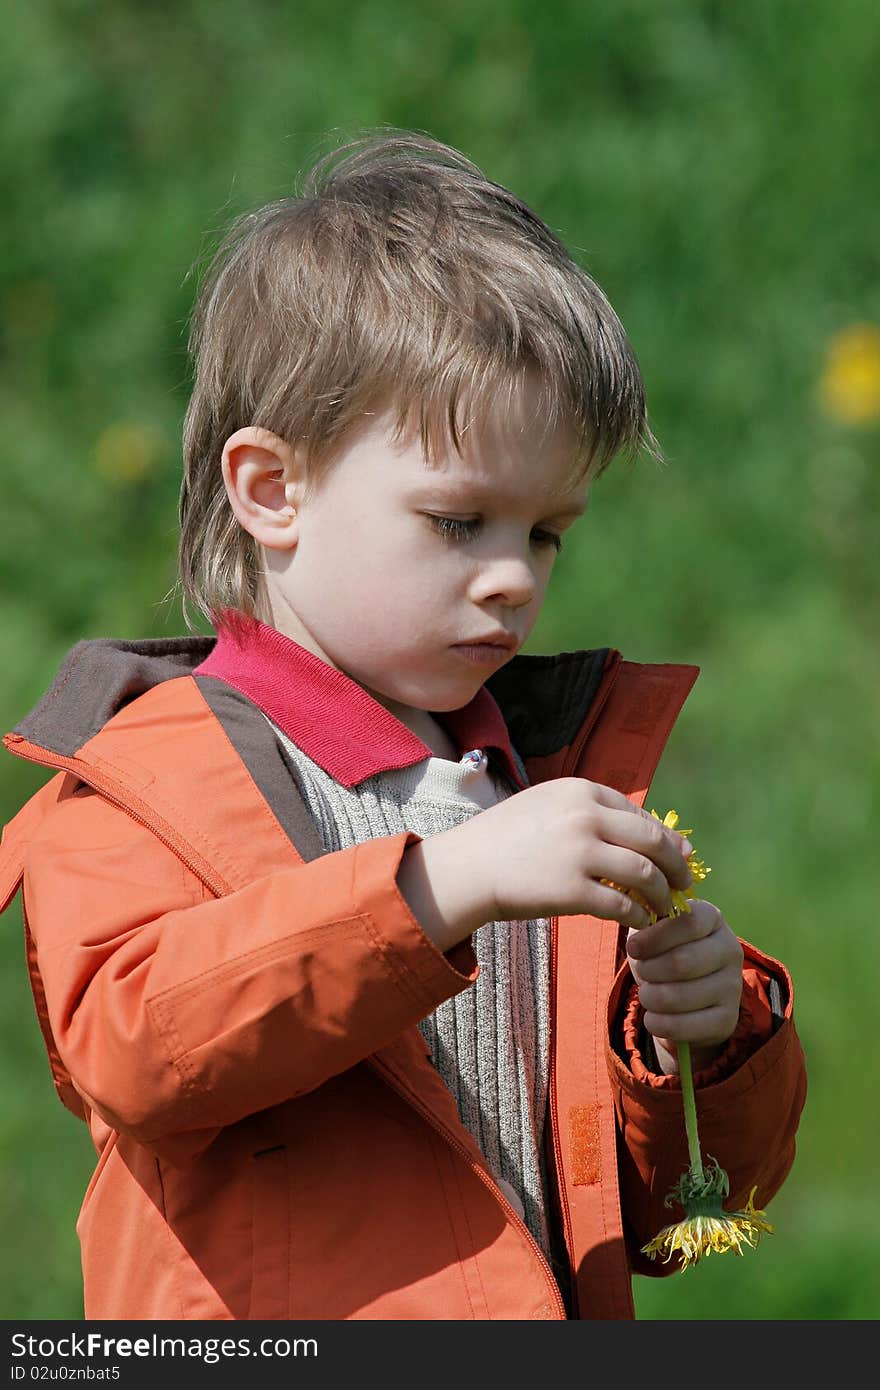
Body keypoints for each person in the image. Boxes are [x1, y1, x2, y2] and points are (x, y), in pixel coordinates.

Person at [0, 131, 806, 1322]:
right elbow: (137, 1051)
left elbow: (668, 1220)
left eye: (543, 533)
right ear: (272, 490)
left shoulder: (529, 782)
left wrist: (702, 1038)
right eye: (457, 520)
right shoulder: (138, 777)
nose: (511, 580)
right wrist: (430, 893)